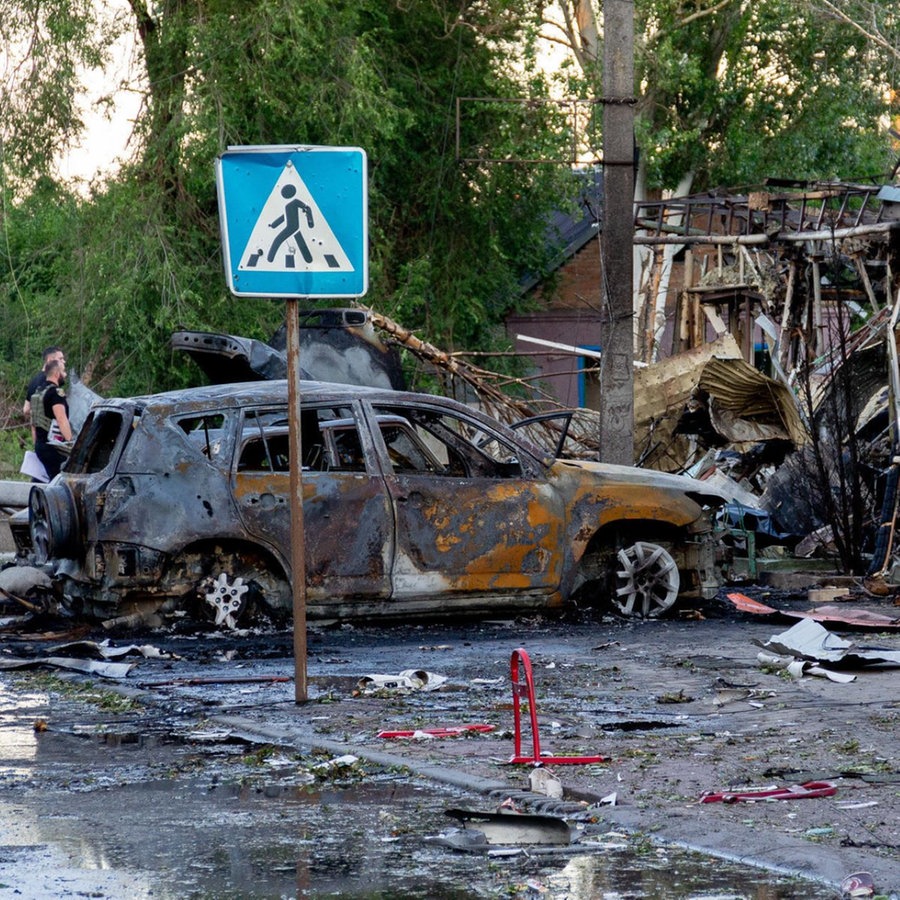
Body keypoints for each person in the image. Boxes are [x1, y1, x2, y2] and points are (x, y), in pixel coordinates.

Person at [31, 357, 72, 481]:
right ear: (57, 373)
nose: (65, 375)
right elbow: (61, 419)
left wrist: (36, 444)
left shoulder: (38, 393)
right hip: (54, 447)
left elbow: (33, 424)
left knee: (42, 479)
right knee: (60, 481)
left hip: (40, 445)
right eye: (63, 372)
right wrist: (71, 443)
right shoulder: (56, 393)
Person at [22, 346, 65, 437]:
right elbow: (60, 416)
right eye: (60, 359)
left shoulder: (34, 381)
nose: (63, 361)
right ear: (50, 360)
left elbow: (26, 409)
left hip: (39, 437)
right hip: (53, 435)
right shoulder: (50, 380)